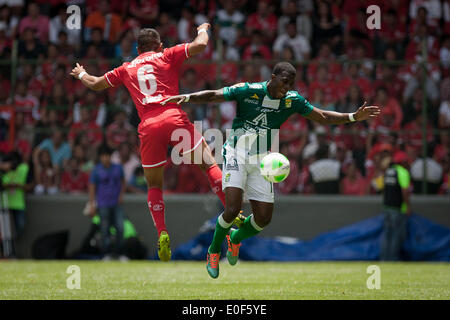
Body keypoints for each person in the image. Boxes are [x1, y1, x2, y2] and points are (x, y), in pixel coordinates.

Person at [161, 61, 381, 278]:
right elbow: (215, 95)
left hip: (261, 160)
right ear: (273, 77)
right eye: (284, 82)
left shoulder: (291, 100)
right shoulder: (249, 90)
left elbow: (321, 116)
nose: (286, 88)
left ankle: (235, 238)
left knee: (263, 219)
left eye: (291, 84)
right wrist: (188, 97)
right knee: (232, 209)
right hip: (236, 153)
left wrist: (353, 117)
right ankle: (214, 251)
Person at [70, 24, 228, 262]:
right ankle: (232, 211)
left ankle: (162, 232)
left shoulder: (127, 68)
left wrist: (81, 73)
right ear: (159, 45)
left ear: (137, 48)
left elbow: (95, 84)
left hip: (149, 126)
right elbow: (201, 45)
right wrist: (203, 28)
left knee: (154, 185)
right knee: (209, 164)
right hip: (173, 117)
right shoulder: (167, 54)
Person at [88, 145, 126, 261]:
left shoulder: (118, 168)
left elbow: (123, 182)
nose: (106, 158)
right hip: (103, 203)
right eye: (103, 156)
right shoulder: (96, 170)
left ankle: (118, 253)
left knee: (120, 228)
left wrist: (121, 195)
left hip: (116, 203)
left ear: (110, 156)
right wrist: (92, 204)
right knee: (104, 229)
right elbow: (92, 187)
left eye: (108, 156)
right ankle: (106, 254)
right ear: (100, 157)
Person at [380, 151, 412, 261]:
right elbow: (404, 191)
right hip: (397, 208)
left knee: (387, 235)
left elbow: (384, 188)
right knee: (396, 235)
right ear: (403, 162)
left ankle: (384, 258)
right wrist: (408, 206)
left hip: (387, 207)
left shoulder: (388, 171)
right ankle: (392, 259)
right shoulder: (403, 172)